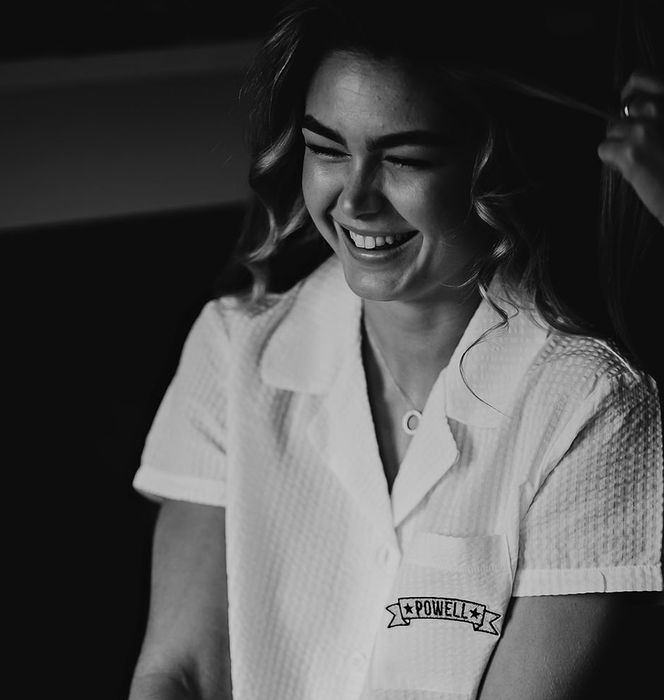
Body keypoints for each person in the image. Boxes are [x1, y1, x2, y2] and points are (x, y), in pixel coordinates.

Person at [128, 2, 664, 698]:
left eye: (404, 159)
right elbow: (181, 673)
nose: (354, 200)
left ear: (494, 168)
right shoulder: (234, 348)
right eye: (326, 149)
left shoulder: (595, 403)